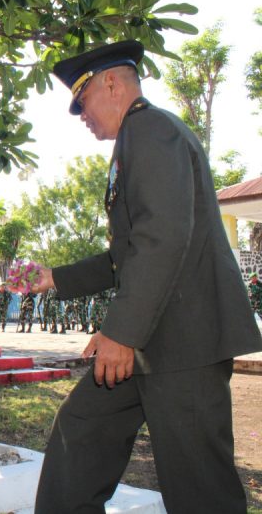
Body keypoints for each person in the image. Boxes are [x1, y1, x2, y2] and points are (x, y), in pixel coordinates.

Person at [28, 40, 262, 513]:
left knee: (200, 488)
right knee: (82, 431)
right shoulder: (134, 141)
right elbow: (128, 256)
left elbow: (163, 238)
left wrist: (120, 332)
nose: (81, 116)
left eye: (83, 101)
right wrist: (54, 277)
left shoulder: (152, 131)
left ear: (111, 84)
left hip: (184, 345)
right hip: (148, 341)